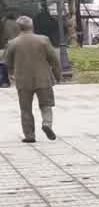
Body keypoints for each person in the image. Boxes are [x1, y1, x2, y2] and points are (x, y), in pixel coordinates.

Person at [4, 16, 59, 144]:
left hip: (23, 80)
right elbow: (54, 60)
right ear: (32, 26)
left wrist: (11, 73)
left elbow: (7, 61)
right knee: (46, 105)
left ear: (18, 27)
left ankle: (29, 135)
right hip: (43, 78)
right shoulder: (43, 40)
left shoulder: (13, 43)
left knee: (25, 108)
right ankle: (47, 123)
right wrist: (57, 75)